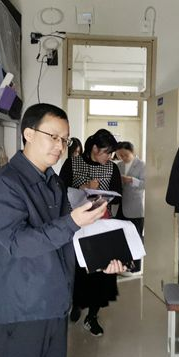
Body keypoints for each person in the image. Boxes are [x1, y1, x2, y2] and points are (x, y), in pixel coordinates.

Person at [0, 104, 125, 357]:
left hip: (56, 303)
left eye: (65, 139)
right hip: (24, 309)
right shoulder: (4, 185)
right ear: (28, 134)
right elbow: (18, 243)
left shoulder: (54, 182)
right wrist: (72, 221)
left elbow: (67, 240)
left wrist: (100, 261)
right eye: (54, 137)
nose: (60, 146)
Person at [60, 129, 123, 336]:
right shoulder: (73, 163)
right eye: (107, 152)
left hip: (101, 226)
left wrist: (102, 196)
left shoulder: (112, 168)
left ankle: (92, 316)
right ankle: (76, 304)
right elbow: (60, 191)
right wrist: (84, 187)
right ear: (95, 148)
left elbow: (118, 195)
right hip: (76, 226)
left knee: (101, 272)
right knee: (77, 269)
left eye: (111, 153)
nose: (109, 157)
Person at [115, 141, 146, 272]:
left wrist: (132, 180)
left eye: (125, 155)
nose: (122, 157)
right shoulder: (118, 165)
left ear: (132, 152)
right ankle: (123, 265)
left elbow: (146, 184)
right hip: (120, 206)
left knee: (135, 237)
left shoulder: (142, 165)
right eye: (120, 155)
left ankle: (136, 267)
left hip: (135, 208)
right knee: (121, 237)